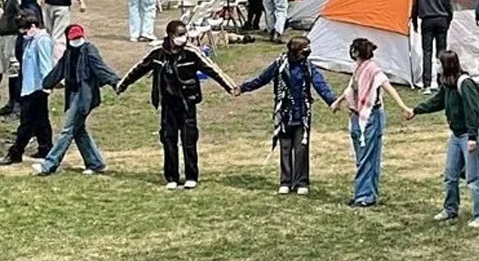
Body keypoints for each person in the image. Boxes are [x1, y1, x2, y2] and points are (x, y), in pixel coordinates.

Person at [116, 20, 236, 189]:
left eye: (185, 34)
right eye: (180, 35)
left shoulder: (191, 52)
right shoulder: (158, 53)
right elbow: (140, 68)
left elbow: (212, 69)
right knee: (168, 139)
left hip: (187, 102)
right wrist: (123, 84)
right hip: (168, 103)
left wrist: (230, 87)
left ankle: (191, 176)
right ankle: (172, 177)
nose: (183, 38)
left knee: (189, 139)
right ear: (170, 36)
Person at [236, 36, 337, 195]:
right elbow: (262, 79)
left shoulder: (308, 67)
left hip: (302, 113)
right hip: (283, 113)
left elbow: (320, 84)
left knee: (301, 148)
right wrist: (243, 88)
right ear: (296, 51)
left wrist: (332, 101)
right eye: (305, 49)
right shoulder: (279, 64)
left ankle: (301, 182)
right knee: (285, 147)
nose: (308, 52)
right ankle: (285, 181)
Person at [328, 37, 413, 207]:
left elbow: (388, 87)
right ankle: (367, 192)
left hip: (371, 117)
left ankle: (364, 196)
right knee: (362, 156)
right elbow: (351, 88)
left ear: (356, 52)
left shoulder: (373, 70)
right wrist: (338, 102)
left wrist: (403, 106)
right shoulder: (358, 69)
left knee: (368, 157)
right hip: (357, 116)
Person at [411, 50, 479, 228]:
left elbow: (472, 111)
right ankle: (450, 208)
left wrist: (472, 138)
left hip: (469, 135)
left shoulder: (465, 84)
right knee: (450, 175)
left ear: (447, 65)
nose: (437, 67)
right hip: (456, 135)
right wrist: (416, 110)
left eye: (439, 63)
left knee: (475, 177)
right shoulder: (447, 84)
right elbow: (437, 101)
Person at [31, 24, 119, 176]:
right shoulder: (69, 53)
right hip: (72, 95)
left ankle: (48, 165)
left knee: (67, 131)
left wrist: (115, 82)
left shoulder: (89, 50)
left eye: (78, 37)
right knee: (79, 131)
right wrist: (46, 84)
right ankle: (95, 162)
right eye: (73, 38)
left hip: (84, 96)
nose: (76, 40)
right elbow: (58, 71)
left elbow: (100, 68)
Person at [0, 14, 53, 166]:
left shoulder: (41, 40)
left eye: (24, 30)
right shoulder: (30, 40)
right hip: (30, 87)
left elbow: (45, 65)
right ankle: (45, 148)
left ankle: (16, 152)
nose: (23, 34)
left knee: (27, 123)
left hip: (37, 88)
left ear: (33, 26)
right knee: (41, 121)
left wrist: (46, 86)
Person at [412, 0, 453, 92]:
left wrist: (414, 20)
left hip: (427, 20)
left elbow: (415, 4)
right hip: (442, 19)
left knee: (427, 52)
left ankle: (427, 84)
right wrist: (449, 19)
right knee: (442, 52)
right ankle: (442, 82)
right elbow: (448, 4)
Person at [0, 0, 32, 117]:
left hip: (11, 35)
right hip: (7, 35)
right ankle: (12, 102)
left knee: (14, 70)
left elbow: (21, 14)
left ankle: (16, 104)